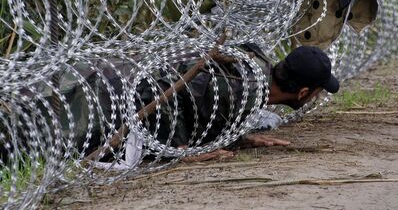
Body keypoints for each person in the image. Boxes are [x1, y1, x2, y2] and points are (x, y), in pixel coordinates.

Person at [1, 45, 339, 163]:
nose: (317, 97)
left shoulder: (254, 67)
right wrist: (183, 150)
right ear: (303, 92)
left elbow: (202, 104)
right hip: (109, 109)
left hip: (113, 95)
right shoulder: (243, 91)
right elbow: (166, 92)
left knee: (28, 128)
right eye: (319, 92)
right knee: (22, 140)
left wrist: (235, 137)